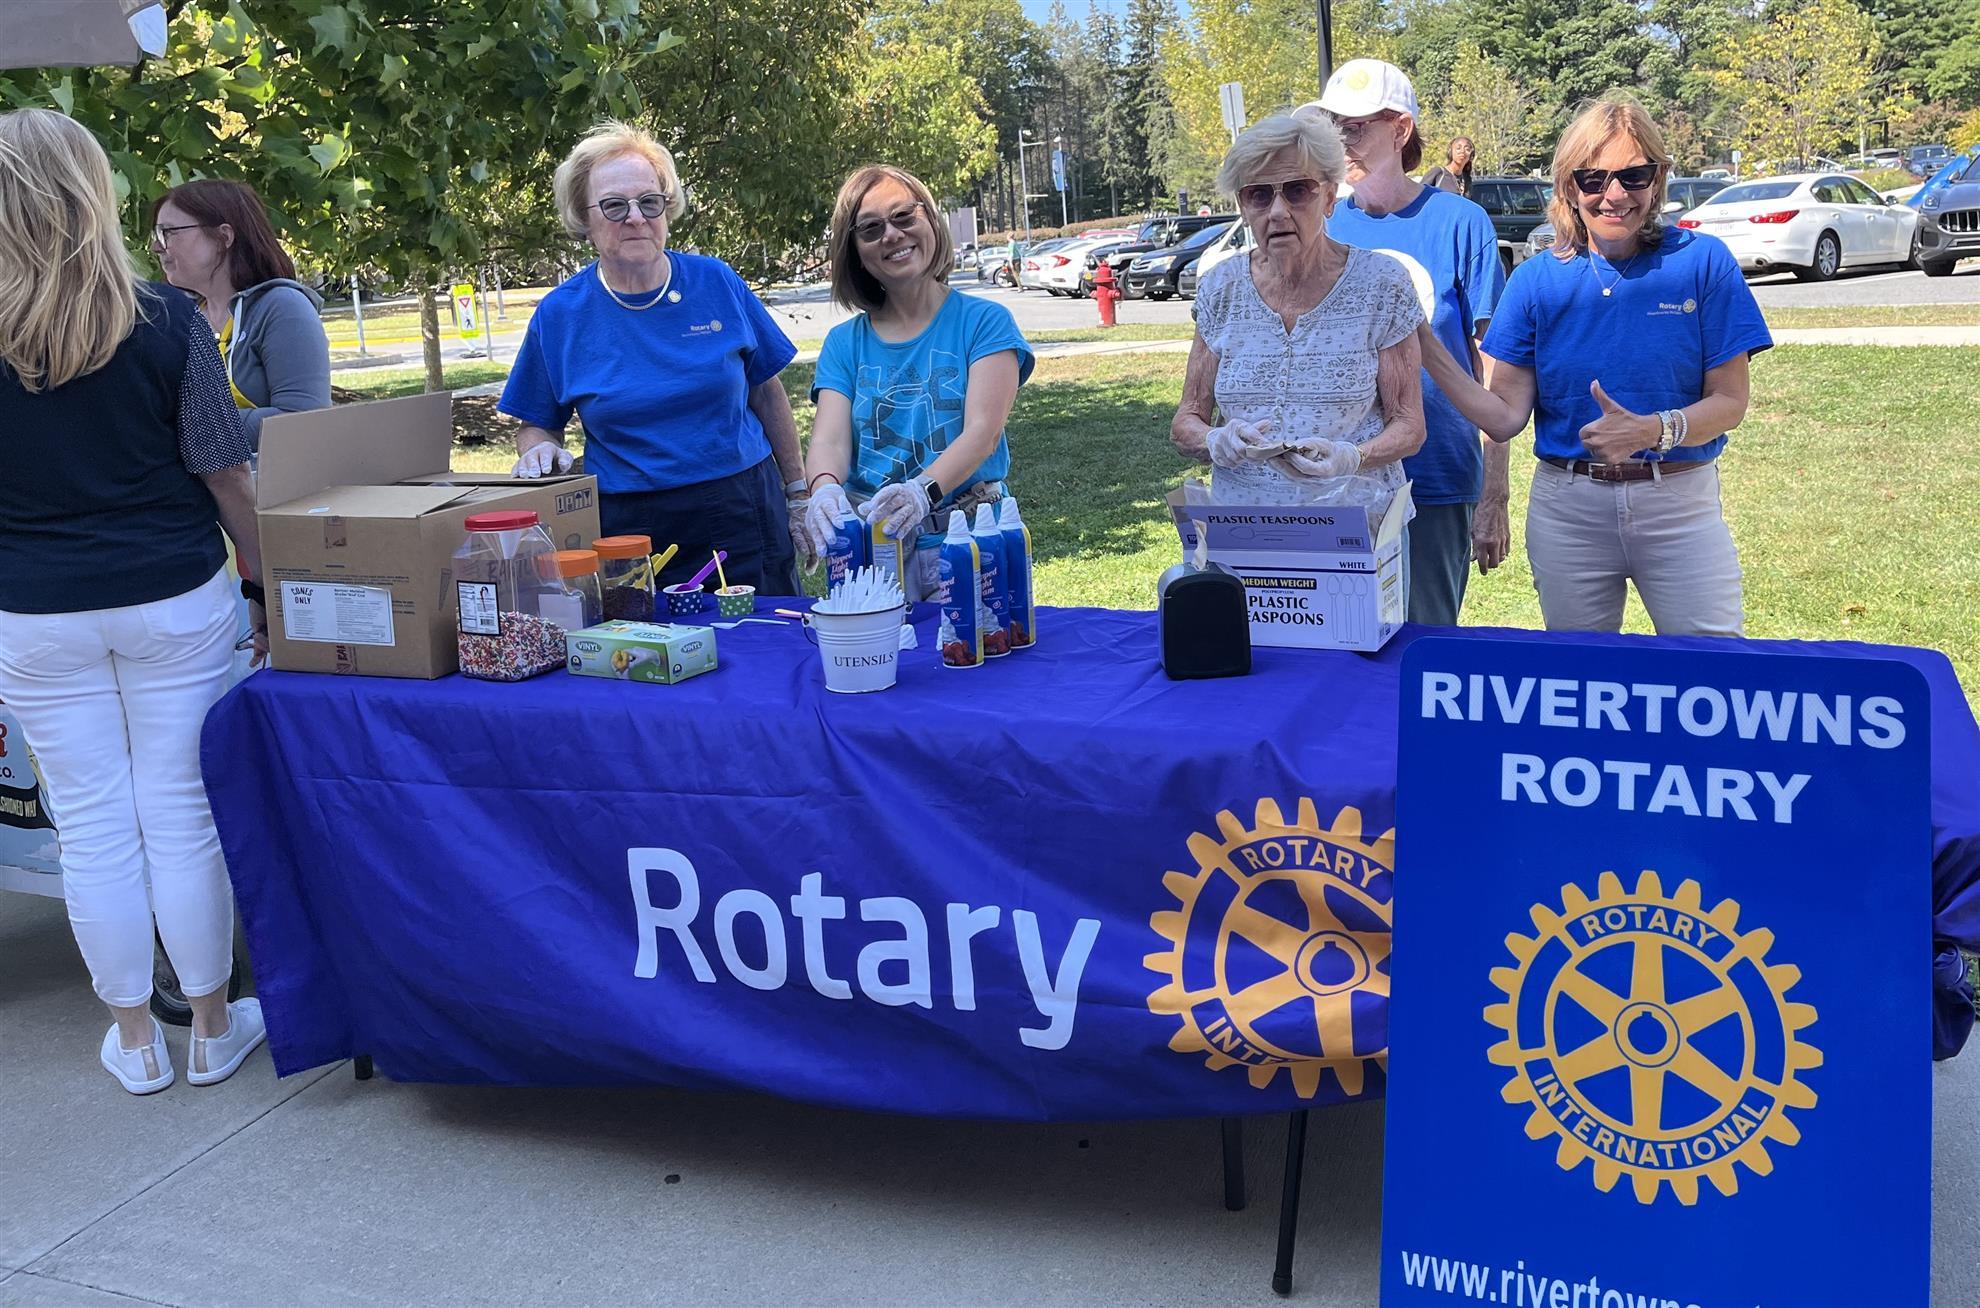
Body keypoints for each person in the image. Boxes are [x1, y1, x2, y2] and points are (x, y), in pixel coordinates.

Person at [0, 108, 268, 1094]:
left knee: (93, 827)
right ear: (91, 194)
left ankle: (135, 1040)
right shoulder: (166, 320)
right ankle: (209, 1025)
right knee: (181, 812)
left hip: (32, 610)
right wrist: (270, 585)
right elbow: (226, 476)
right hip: (174, 598)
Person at [1418, 95, 1770, 636]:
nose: (1614, 195)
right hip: (1569, 510)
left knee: (1711, 672)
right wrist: (1424, 345)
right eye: (1593, 179)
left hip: (1678, 501)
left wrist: (1654, 429)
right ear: (1568, 186)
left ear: (1657, 180)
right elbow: (1503, 415)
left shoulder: (1702, 262)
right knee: (1582, 680)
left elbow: (1730, 402)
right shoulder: (1537, 280)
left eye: (1634, 176)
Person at [500, 121, 807, 591]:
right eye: (614, 205)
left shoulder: (716, 282)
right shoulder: (561, 314)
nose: (636, 217)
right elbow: (536, 422)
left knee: (763, 644)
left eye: (649, 202)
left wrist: (799, 494)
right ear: (584, 220)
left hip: (742, 505)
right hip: (629, 523)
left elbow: (766, 393)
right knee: (645, 653)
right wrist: (538, 447)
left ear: (667, 208)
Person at [1311, 61, 1508, 627]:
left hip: (1438, 475)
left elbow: (1492, 366)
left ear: (1400, 131)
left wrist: (1494, 493)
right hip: (1338, 479)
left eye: (1355, 127)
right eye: (1332, 126)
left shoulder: (1461, 223)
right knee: (1338, 648)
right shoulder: (1323, 225)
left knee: (1422, 651)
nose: (1340, 141)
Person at [1170, 113, 1426, 517]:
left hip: (1355, 534)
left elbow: (1409, 426)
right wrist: (1217, 441)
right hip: (1244, 532)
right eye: (1258, 194)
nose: (1277, 211)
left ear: (1328, 198)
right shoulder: (1221, 288)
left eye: (1297, 190)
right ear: (1243, 205)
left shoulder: (1381, 284)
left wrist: (1351, 458)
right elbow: (1187, 421)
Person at [803, 165, 1034, 598]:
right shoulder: (843, 343)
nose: (891, 235)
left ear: (930, 219)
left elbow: (982, 433)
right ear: (854, 250)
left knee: (978, 658)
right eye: (870, 229)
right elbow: (829, 442)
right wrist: (824, 490)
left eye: (904, 217)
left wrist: (921, 492)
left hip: (971, 542)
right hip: (871, 553)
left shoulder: (984, 323)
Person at [150, 179, 330, 450]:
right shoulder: (181, 319)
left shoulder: (282, 307)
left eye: (169, 232)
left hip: (274, 489)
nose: (156, 247)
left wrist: (187, 429)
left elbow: (304, 423)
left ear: (224, 237)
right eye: (156, 234)